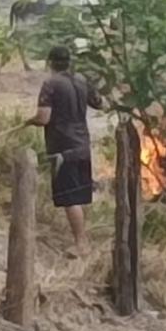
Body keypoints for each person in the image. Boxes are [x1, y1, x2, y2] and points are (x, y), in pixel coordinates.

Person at [27, 44, 103, 257]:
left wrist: (30, 121)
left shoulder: (50, 84)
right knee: (78, 194)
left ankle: (81, 244)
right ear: (69, 63)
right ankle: (83, 239)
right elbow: (100, 103)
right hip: (83, 145)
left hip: (63, 148)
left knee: (70, 199)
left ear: (50, 63)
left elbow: (44, 118)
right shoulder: (81, 80)